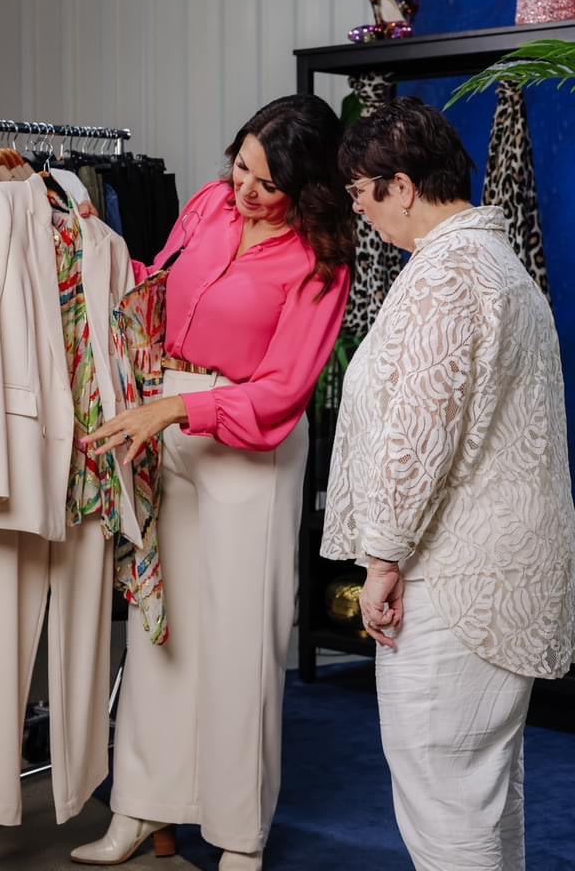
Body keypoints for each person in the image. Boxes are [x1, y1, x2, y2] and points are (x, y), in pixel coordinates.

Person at [71, 94, 354, 870]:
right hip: (166, 423)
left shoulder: (320, 261)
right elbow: (154, 287)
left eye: (268, 183)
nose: (247, 191)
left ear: (308, 186)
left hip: (247, 448)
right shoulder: (206, 206)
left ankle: (239, 834)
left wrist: (178, 407)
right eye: (241, 168)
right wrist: (93, 246)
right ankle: (143, 806)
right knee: (159, 628)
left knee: (240, 642)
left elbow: (283, 391)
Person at [321, 96, 575, 871]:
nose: (360, 212)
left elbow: (420, 434)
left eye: (361, 194)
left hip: (455, 580)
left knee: (444, 800)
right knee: (482, 797)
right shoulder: (494, 263)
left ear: (401, 186)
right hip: (493, 573)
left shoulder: (448, 274)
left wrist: (382, 560)